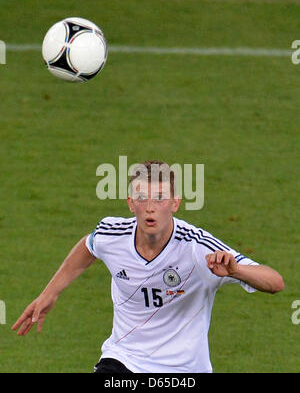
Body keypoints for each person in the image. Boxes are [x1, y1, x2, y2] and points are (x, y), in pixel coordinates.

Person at [12, 160, 284, 373]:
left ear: (175, 204)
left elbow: (275, 282)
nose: (150, 208)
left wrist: (237, 271)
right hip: (123, 361)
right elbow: (88, 247)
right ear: (131, 204)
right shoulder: (113, 233)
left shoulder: (198, 247)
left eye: (160, 199)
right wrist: (50, 293)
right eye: (142, 198)